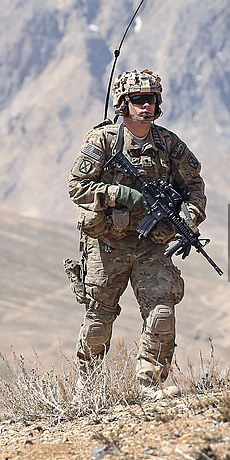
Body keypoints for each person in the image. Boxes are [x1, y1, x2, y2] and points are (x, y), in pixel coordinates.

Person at [67, 68, 206, 397]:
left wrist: (186, 218)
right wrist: (119, 195)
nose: (147, 106)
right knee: (98, 317)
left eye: (152, 100)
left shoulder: (170, 145)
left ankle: (150, 381)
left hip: (152, 243)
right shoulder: (103, 141)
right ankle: (88, 386)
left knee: (161, 311)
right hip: (107, 243)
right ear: (124, 103)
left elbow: (195, 189)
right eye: (139, 100)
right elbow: (77, 186)